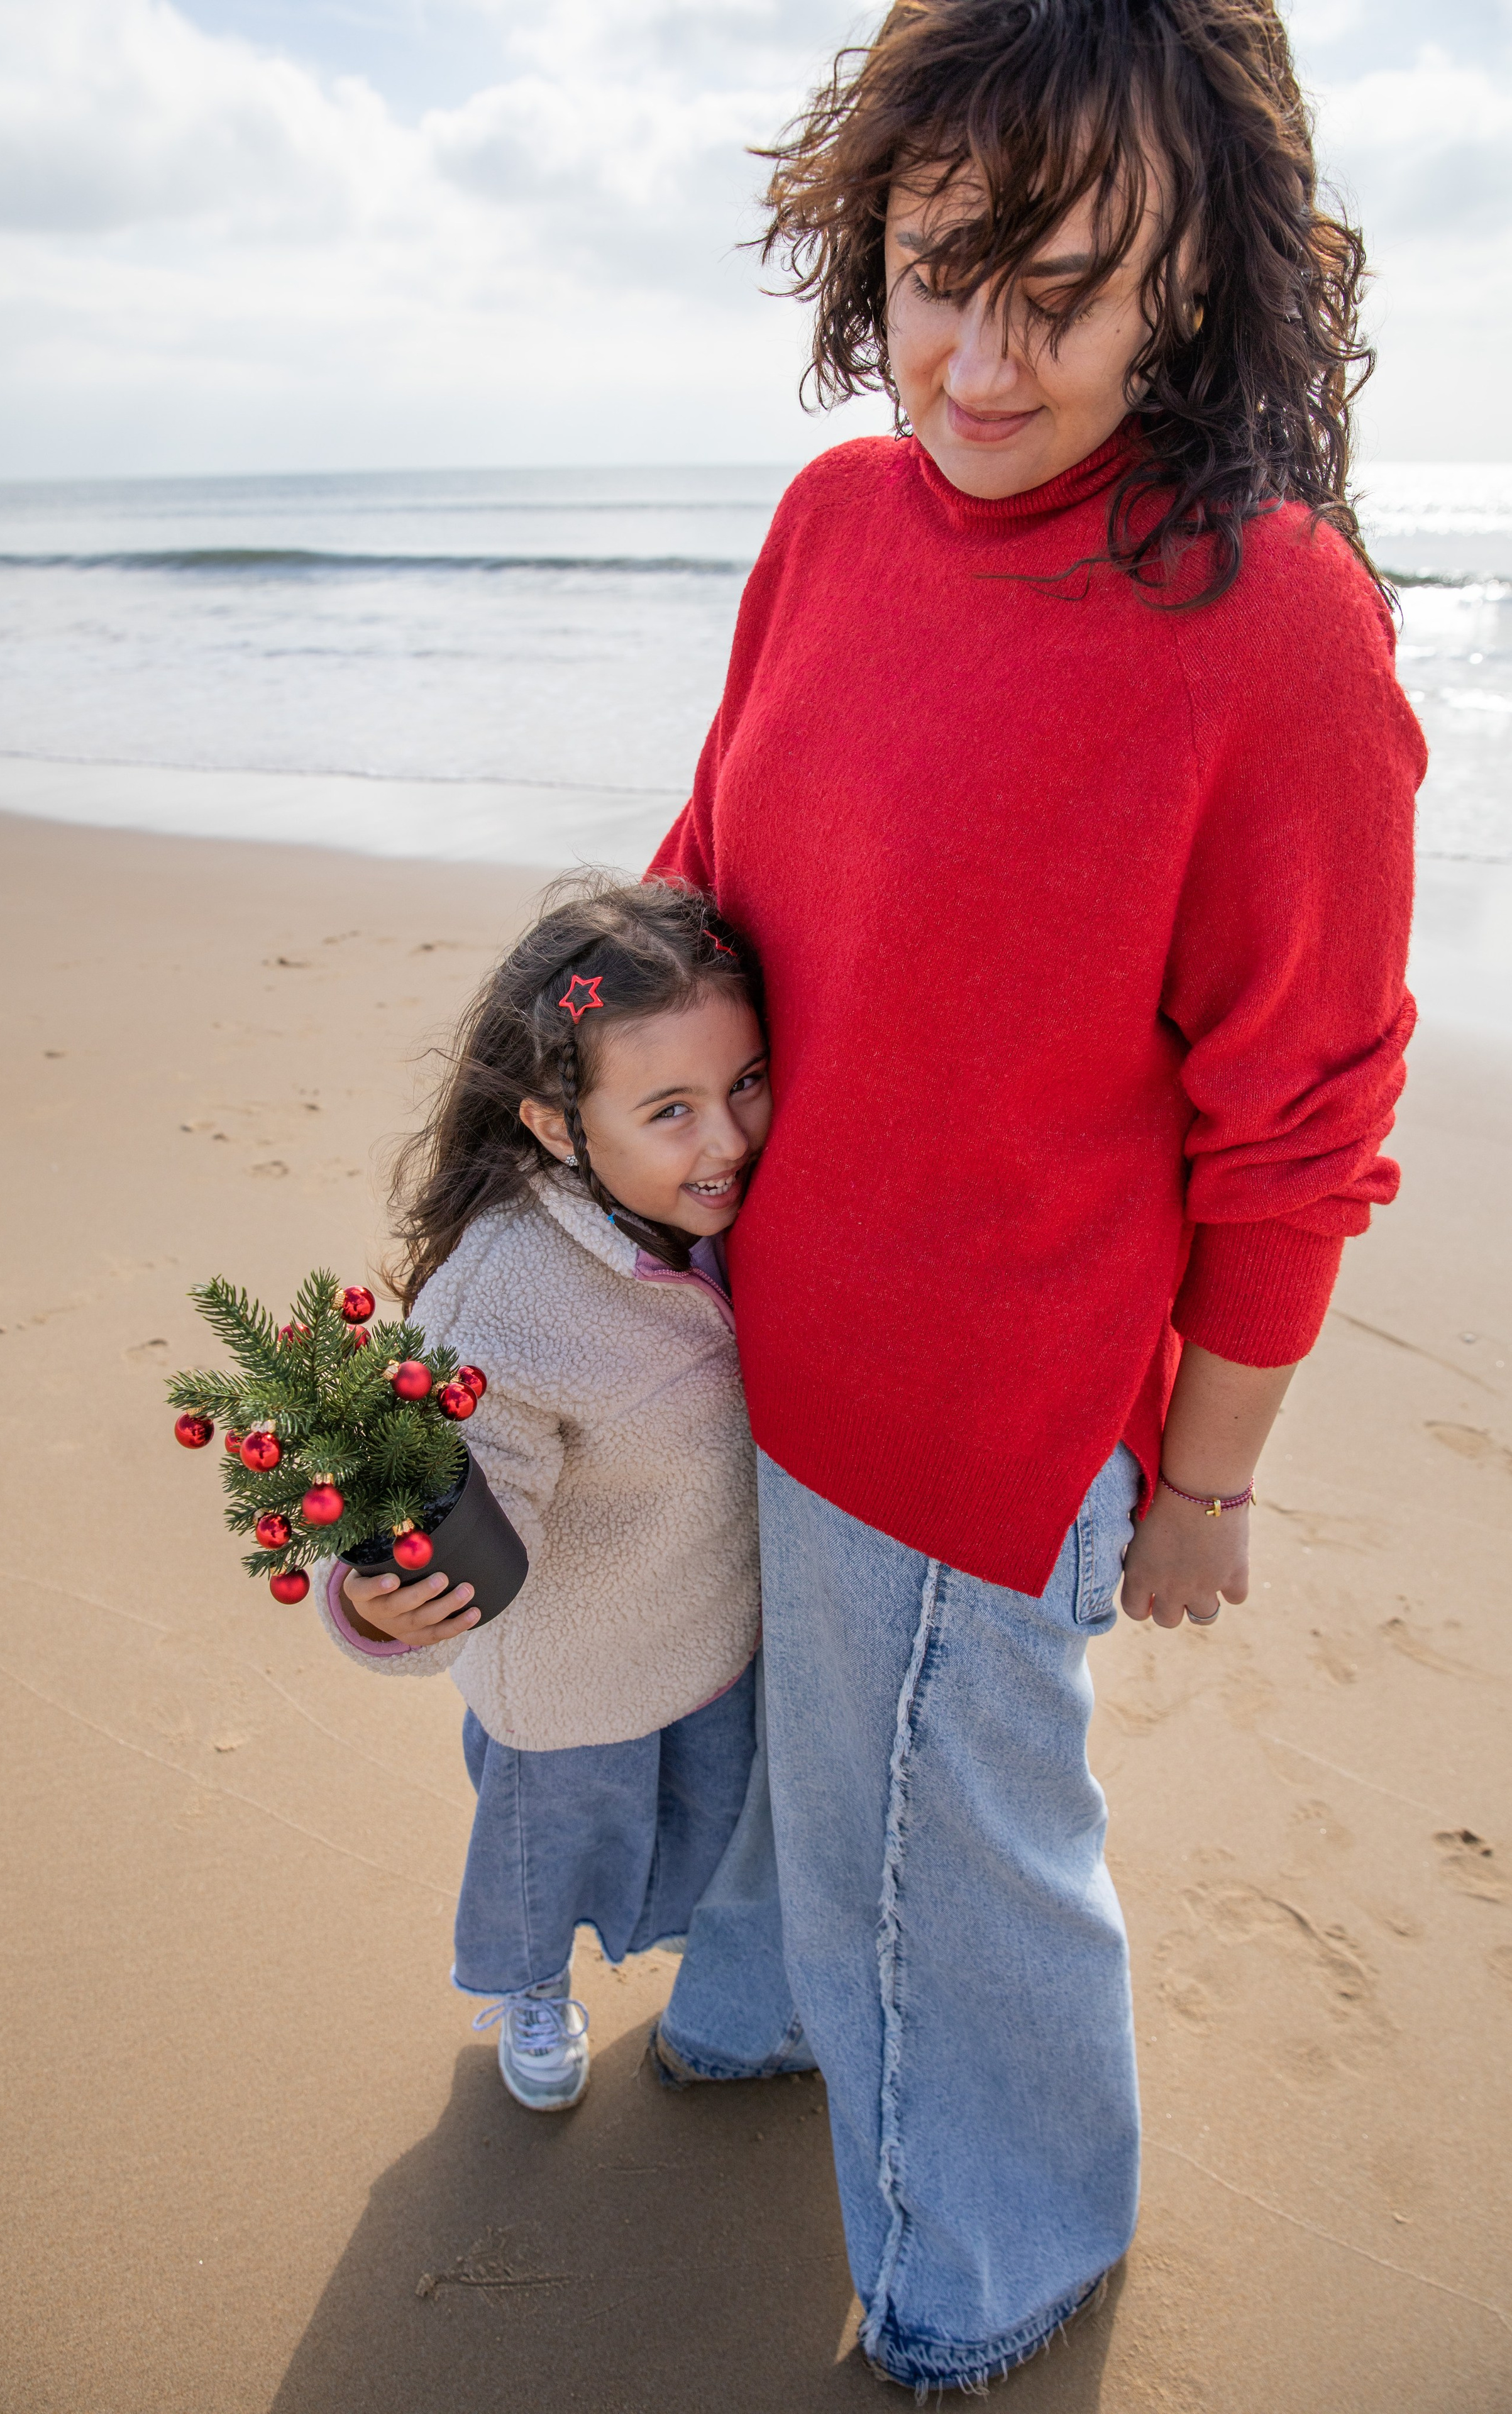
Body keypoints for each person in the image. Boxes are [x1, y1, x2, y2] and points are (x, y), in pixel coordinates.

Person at [648, 0, 1426, 2389]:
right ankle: (766, 2016)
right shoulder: (830, 521)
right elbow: (704, 900)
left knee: (950, 1852)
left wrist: (1205, 1482)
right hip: (743, 1319)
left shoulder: (1272, 613)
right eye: (926, 275)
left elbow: (1299, 1116)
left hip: (988, 1407)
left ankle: (998, 2257)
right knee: (780, 1753)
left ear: (1194, 277)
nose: (976, 364)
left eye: (1060, 293)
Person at [313, 878, 811, 2112]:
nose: (729, 1138)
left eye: (744, 1082)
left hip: (700, 1638)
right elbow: (434, 1501)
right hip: (568, 1686)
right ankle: (529, 1991)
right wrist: (378, 1607)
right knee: (549, 1857)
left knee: (710, 1830)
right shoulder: (508, 1308)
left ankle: (723, 1975)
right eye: (669, 1110)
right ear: (552, 1126)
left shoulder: (700, 1210)